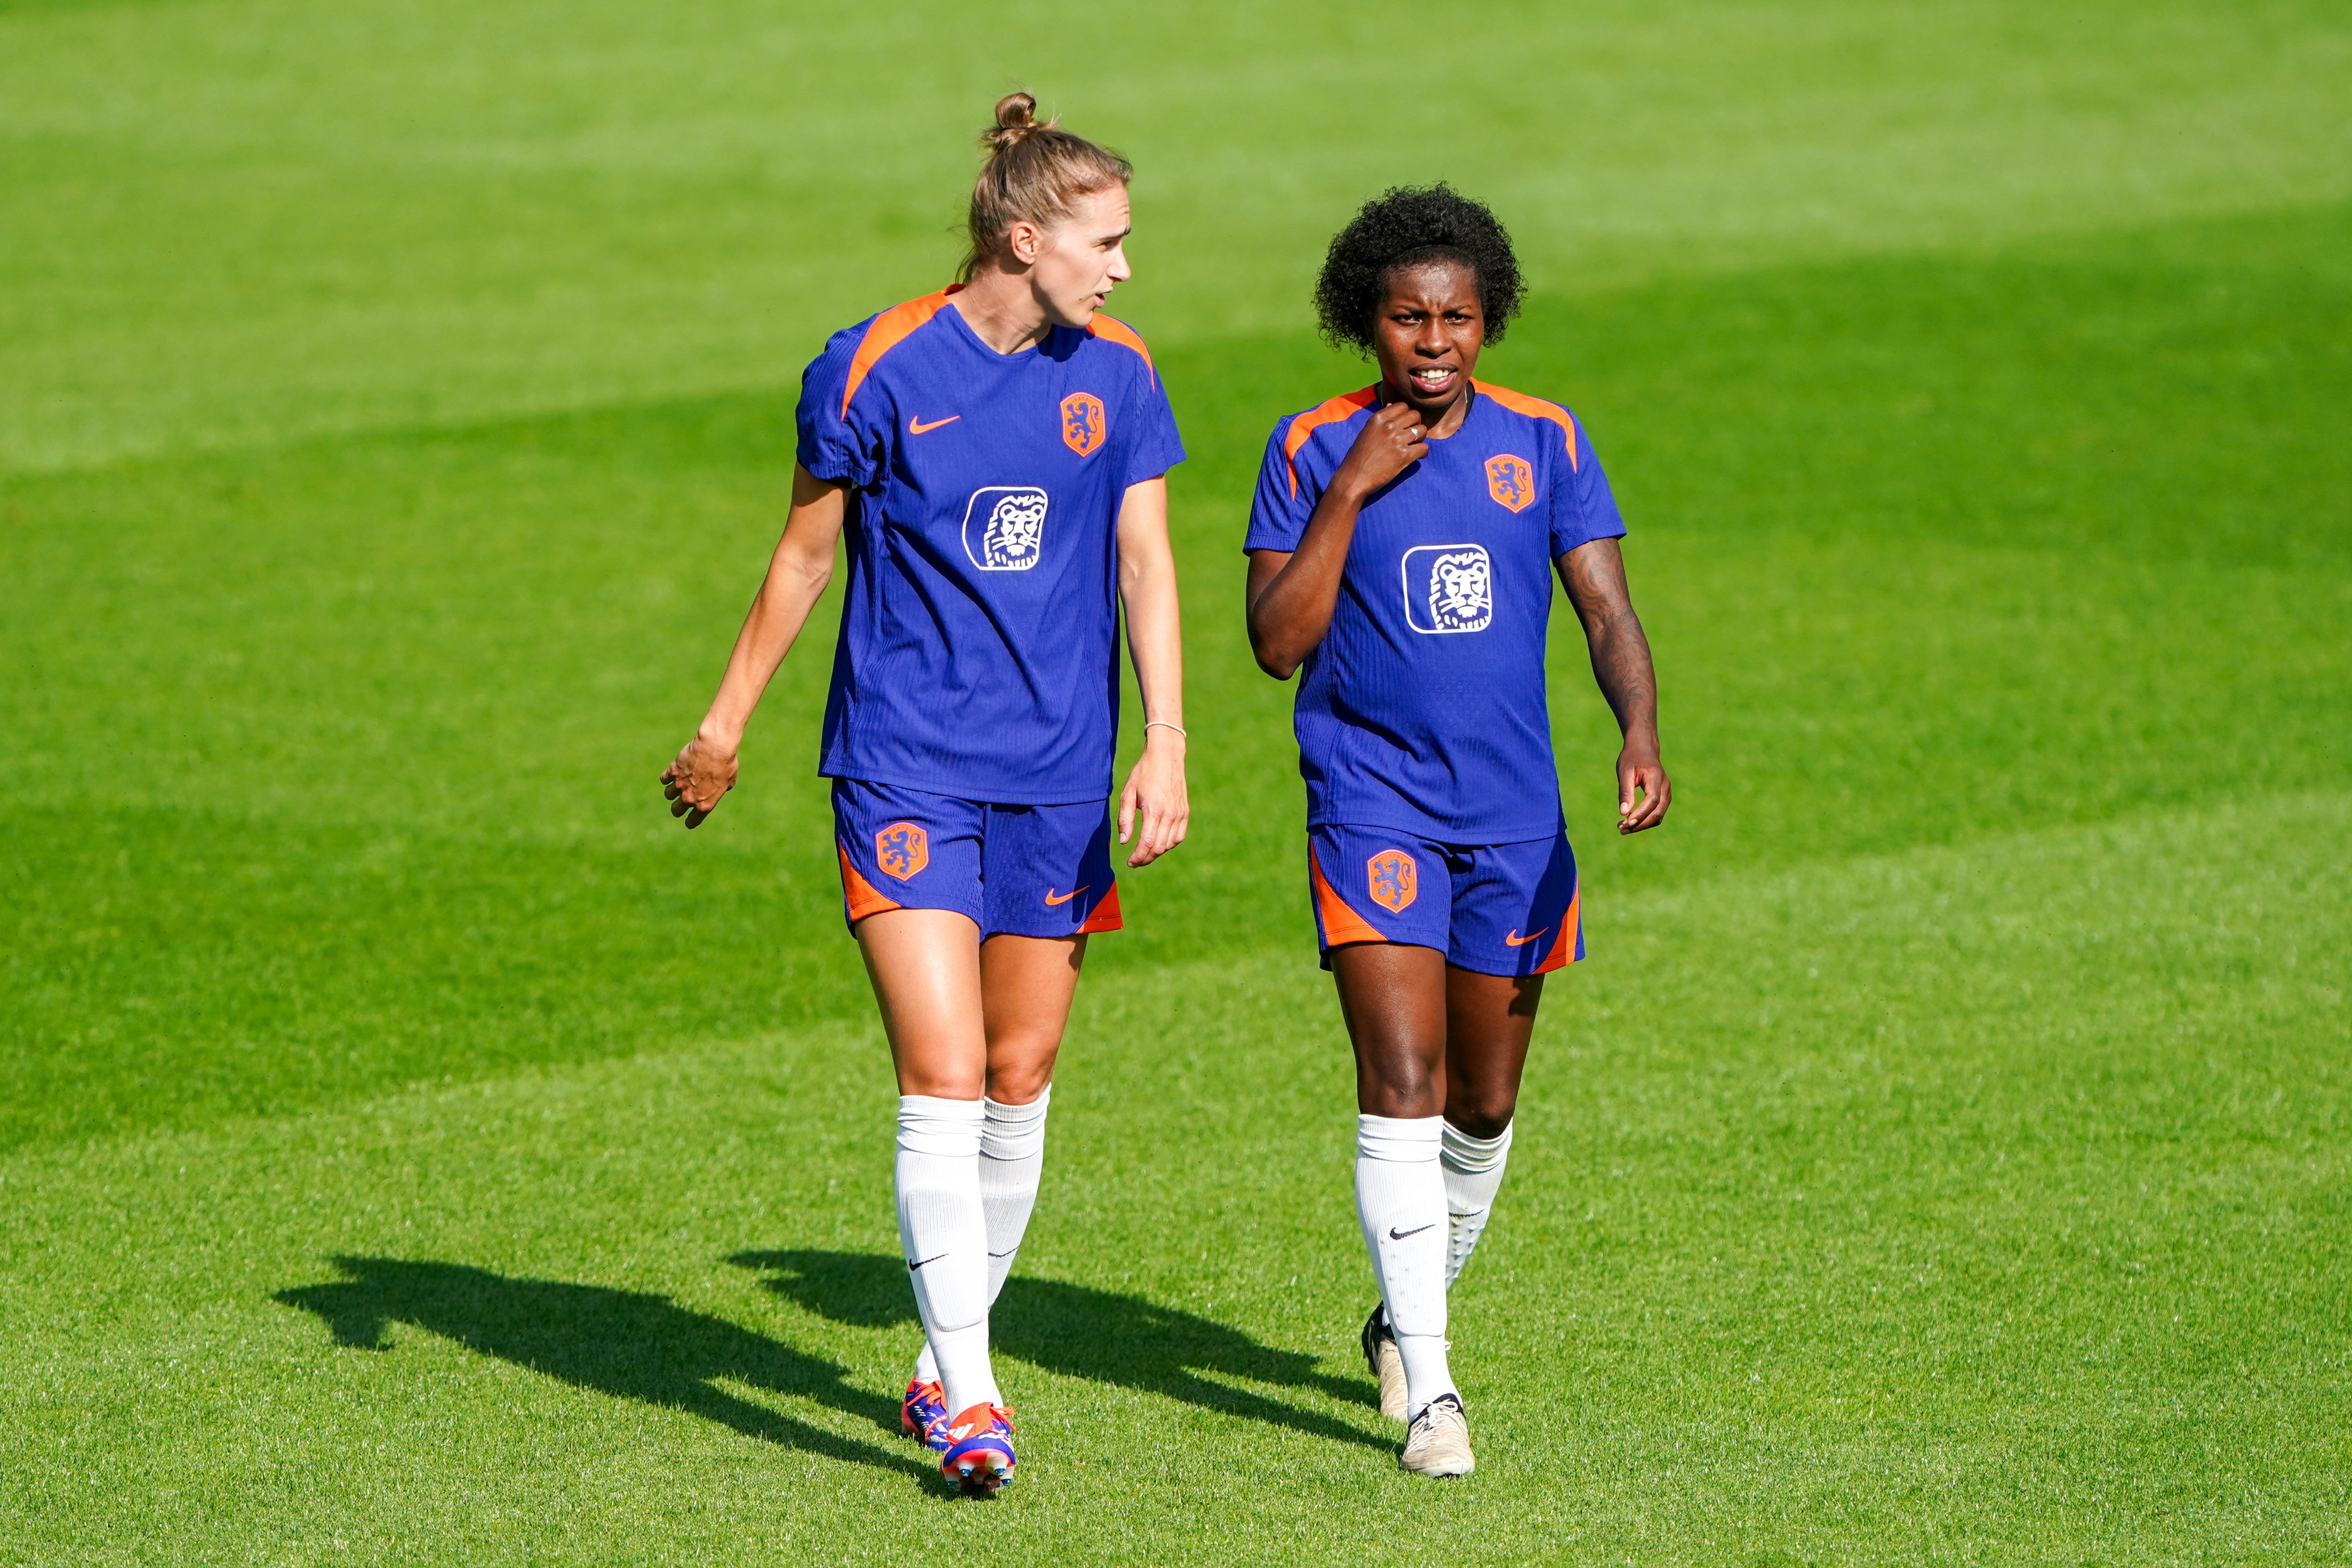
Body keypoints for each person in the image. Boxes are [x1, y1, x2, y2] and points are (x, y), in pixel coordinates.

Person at [661, 92, 1188, 1496]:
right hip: (903, 765)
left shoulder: (1120, 373)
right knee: (943, 1077)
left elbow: (1145, 564)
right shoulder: (873, 366)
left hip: (1059, 779)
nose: (1124, 268)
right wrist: (724, 728)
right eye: (1107, 242)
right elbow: (802, 557)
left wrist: (1169, 741)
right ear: (1025, 238)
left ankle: (939, 1352)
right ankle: (970, 1392)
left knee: (1021, 1079)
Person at [1243, 185, 1669, 1477]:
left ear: (1490, 323)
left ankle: (1398, 1315)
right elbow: (1276, 644)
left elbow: (1603, 607)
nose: (1433, 341)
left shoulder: (1543, 440)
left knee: (1482, 1105)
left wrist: (1639, 731)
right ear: (1362, 324)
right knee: (1404, 1084)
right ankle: (1433, 1390)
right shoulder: (1314, 446)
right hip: (1370, 807)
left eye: (1458, 319)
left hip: (1514, 823)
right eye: (1407, 318)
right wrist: (1353, 494)